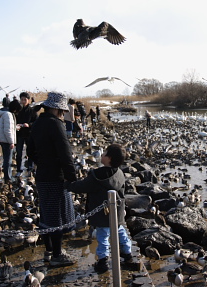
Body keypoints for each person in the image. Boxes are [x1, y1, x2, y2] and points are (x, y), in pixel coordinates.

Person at [27, 92, 77, 267]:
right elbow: (65, 154)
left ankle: (48, 251)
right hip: (56, 177)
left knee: (46, 213)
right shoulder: (56, 125)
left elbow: (30, 151)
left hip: (42, 175)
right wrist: (72, 178)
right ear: (58, 109)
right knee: (58, 217)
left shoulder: (38, 123)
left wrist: (43, 162)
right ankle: (57, 255)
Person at [67, 144, 132, 273]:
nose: (102, 154)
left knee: (103, 236)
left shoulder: (97, 176)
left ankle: (103, 261)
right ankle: (127, 252)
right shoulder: (120, 173)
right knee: (119, 230)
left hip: (102, 213)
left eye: (105, 153)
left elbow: (83, 186)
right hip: (117, 212)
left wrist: (69, 185)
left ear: (109, 158)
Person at [0, 100, 22, 183]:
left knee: (6, 158)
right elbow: (7, 130)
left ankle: (7, 177)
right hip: (6, 141)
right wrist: (11, 142)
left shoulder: (2, 113)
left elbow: (5, 127)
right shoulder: (8, 115)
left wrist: (16, 127)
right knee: (8, 160)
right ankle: (8, 178)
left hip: (2, 139)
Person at [15, 92, 37, 175]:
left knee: (30, 152)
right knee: (19, 153)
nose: (23, 101)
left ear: (28, 100)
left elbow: (36, 121)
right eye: (22, 99)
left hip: (29, 134)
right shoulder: (17, 111)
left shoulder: (32, 110)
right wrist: (17, 125)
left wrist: (29, 125)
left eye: (25, 99)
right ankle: (18, 170)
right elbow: (14, 121)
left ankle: (30, 169)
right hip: (20, 134)